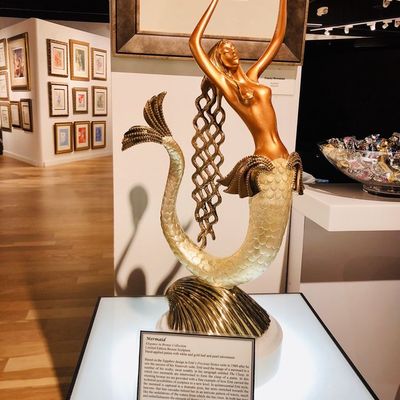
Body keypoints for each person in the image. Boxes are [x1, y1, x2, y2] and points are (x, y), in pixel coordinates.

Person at [189, 0, 288, 161]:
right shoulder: (229, 87)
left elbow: (277, 39)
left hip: (284, 154)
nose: (233, 52)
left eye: (234, 48)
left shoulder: (252, 77)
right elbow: (194, 43)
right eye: (227, 51)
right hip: (265, 157)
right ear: (220, 59)